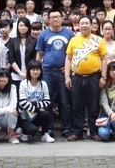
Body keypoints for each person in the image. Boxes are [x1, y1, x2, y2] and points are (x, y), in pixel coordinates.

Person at [65, 15, 108, 141]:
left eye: (86, 23)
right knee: (77, 106)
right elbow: (68, 59)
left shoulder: (98, 40)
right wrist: (67, 76)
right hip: (76, 78)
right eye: (82, 23)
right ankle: (77, 132)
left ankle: (93, 132)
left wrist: (103, 77)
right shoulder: (73, 40)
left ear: (91, 25)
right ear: (78, 26)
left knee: (93, 106)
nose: (84, 25)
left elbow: (104, 59)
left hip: (94, 77)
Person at [35, 7, 75, 138]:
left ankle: (66, 128)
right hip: (47, 72)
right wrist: (37, 71)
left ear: (62, 18)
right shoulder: (43, 34)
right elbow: (39, 54)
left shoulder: (69, 34)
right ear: (48, 19)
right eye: (52, 17)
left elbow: (74, 54)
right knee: (48, 101)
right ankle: (48, 128)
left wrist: (69, 68)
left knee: (65, 101)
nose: (55, 19)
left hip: (63, 72)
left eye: (57, 17)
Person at [18, 60, 54, 142]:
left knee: (46, 114)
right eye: (33, 69)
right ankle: (24, 131)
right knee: (32, 130)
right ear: (29, 71)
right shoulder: (23, 83)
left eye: (37, 69)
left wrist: (32, 103)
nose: (35, 72)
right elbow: (23, 103)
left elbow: (47, 102)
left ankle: (45, 134)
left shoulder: (43, 84)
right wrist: (37, 109)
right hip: (25, 116)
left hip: (37, 115)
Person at [8, 17, 37, 89]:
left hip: (30, 74)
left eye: (24, 26)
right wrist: (20, 72)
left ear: (28, 27)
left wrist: (29, 72)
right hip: (15, 75)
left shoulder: (34, 41)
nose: (22, 28)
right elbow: (11, 59)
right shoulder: (13, 41)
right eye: (20, 25)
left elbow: (35, 58)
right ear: (17, 27)